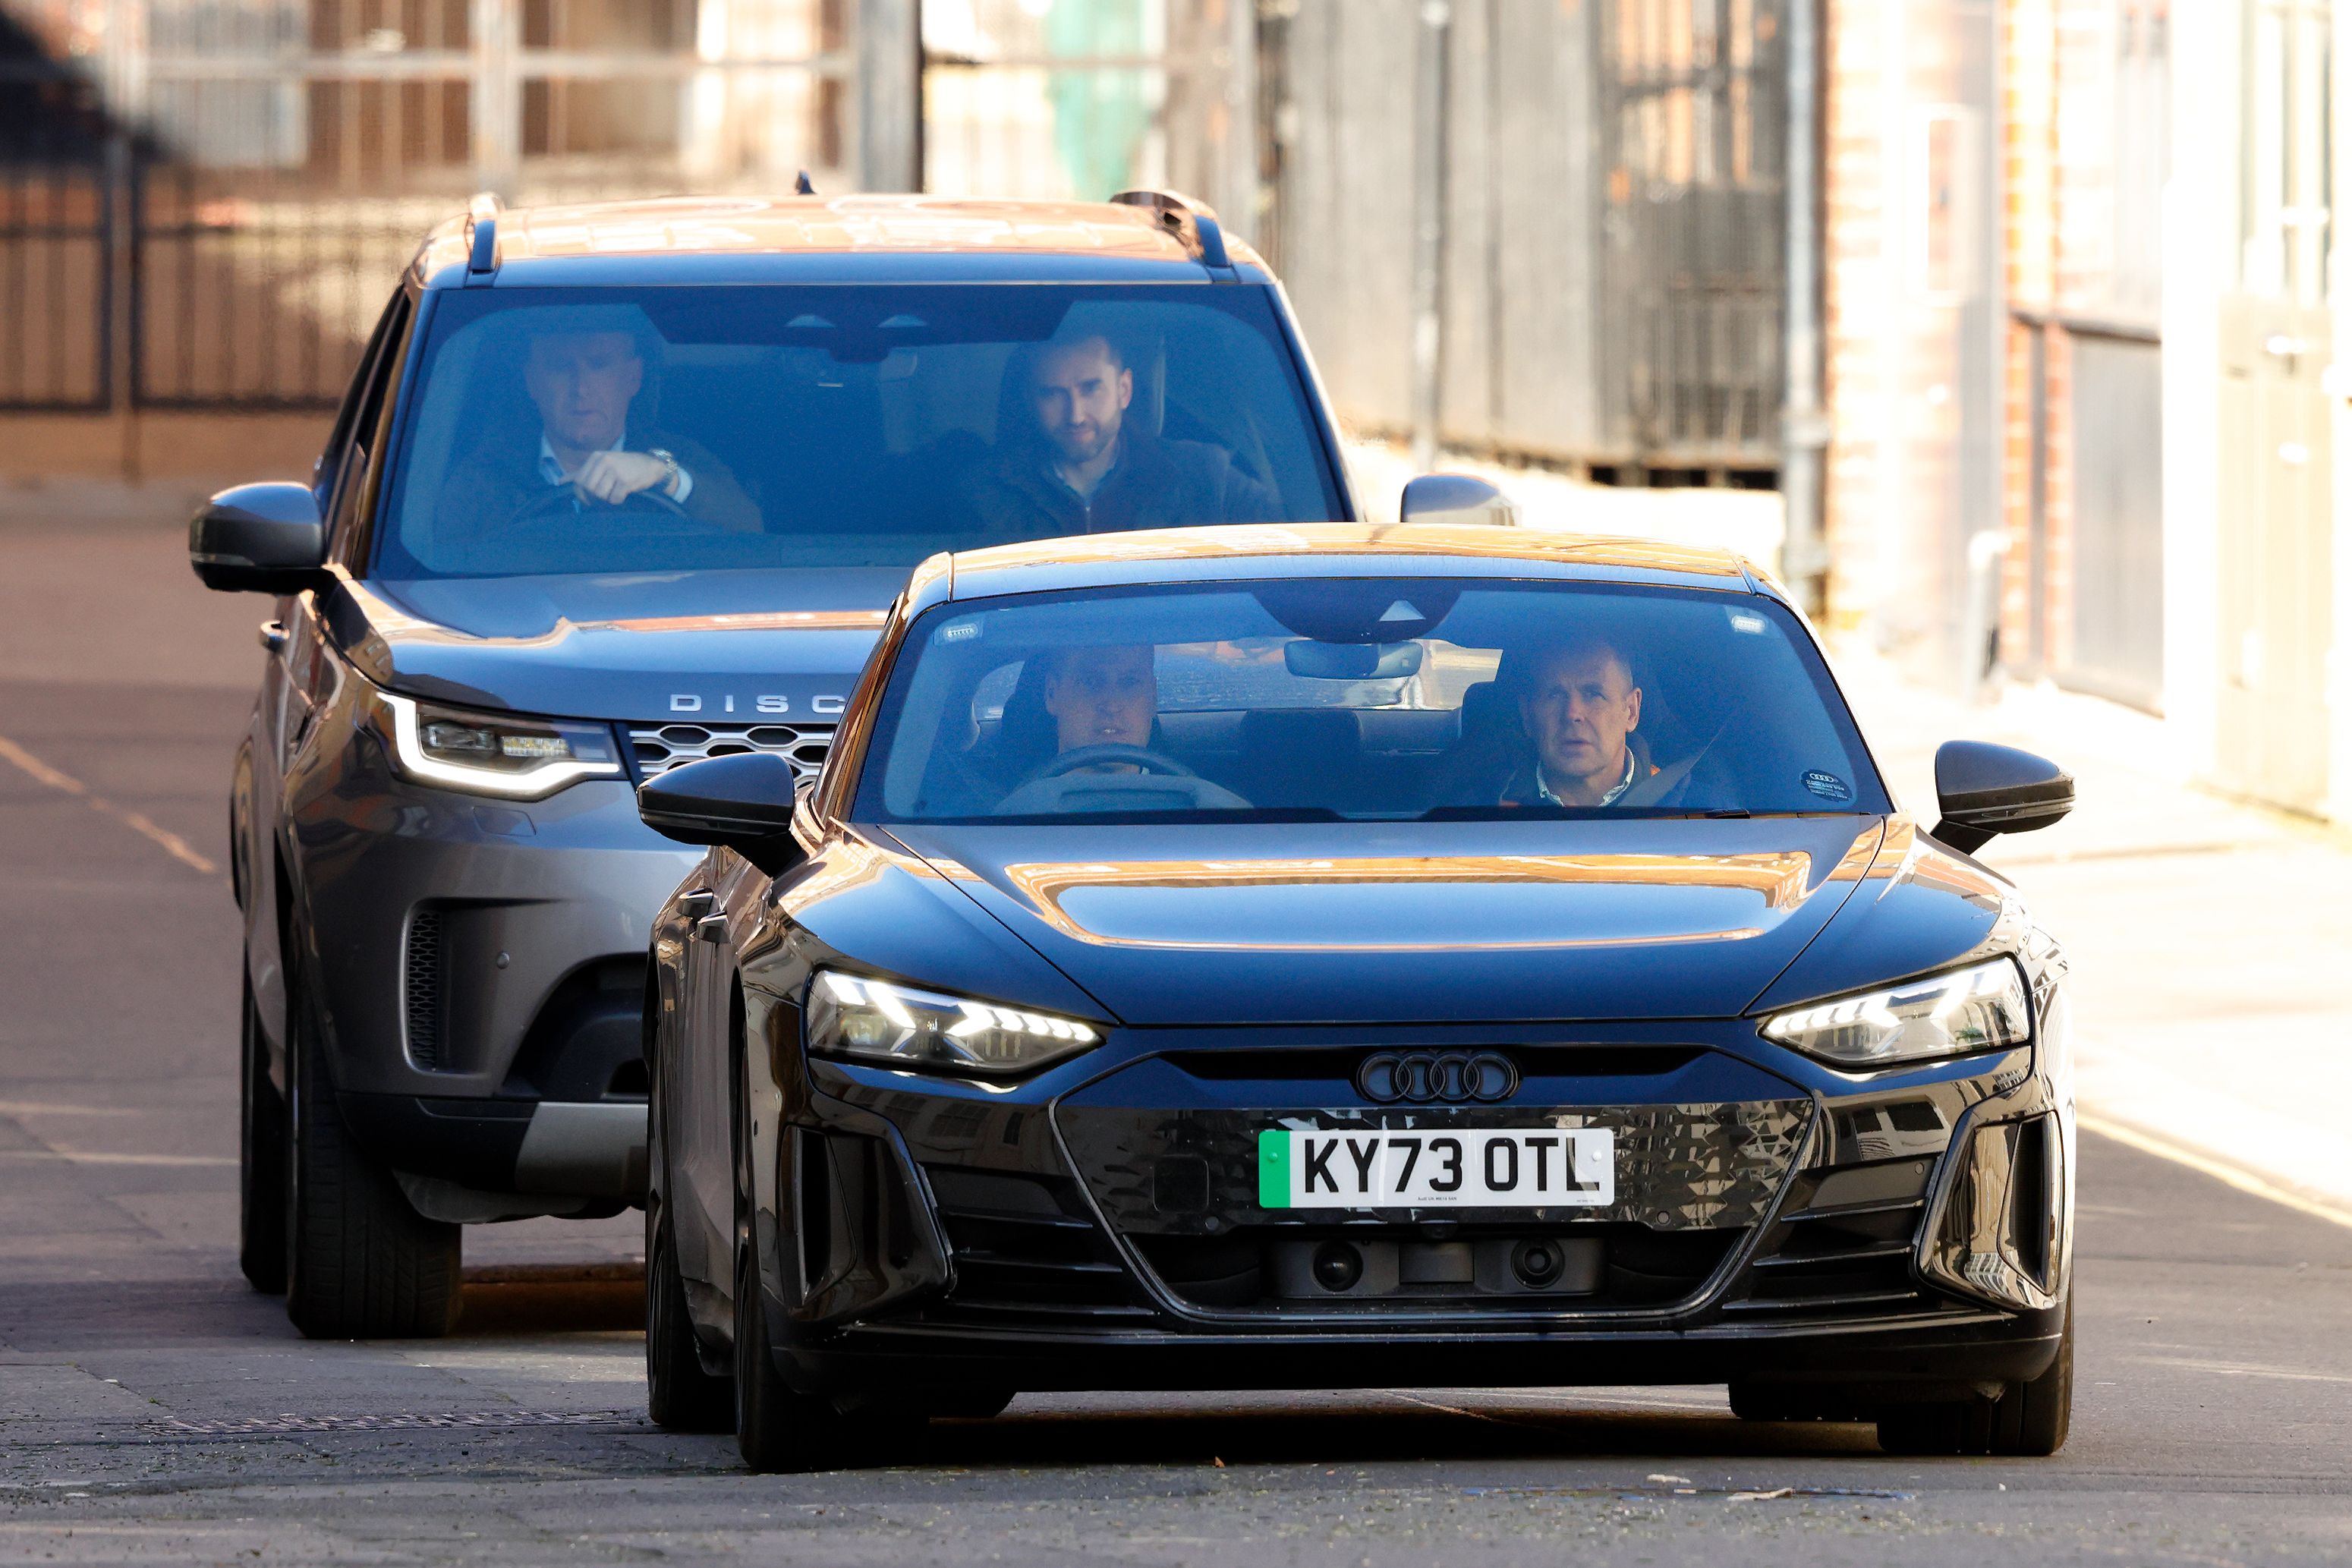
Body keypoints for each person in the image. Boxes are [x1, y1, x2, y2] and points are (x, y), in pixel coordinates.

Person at [442, 314, 759, 537]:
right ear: (532, 382)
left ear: (633, 378)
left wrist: (664, 476)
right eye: (561, 367)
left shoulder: (681, 457)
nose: (581, 387)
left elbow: (749, 529)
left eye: (598, 365)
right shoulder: (485, 476)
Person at [965, 332, 1281, 538]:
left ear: (1124, 390)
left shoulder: (1205, 476)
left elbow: (1291, 555)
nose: (1075, 415)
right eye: (1053, 395)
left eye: (1091, 389)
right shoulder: (983, 493)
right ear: (1032, 402)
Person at [1443, 634, 1660, 808]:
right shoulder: (1475, 812)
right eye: (1555, 695)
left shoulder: (1680, 803)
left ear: (1631, 711)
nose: (1572, 713)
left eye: (1593, 694)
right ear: (1528, 716)